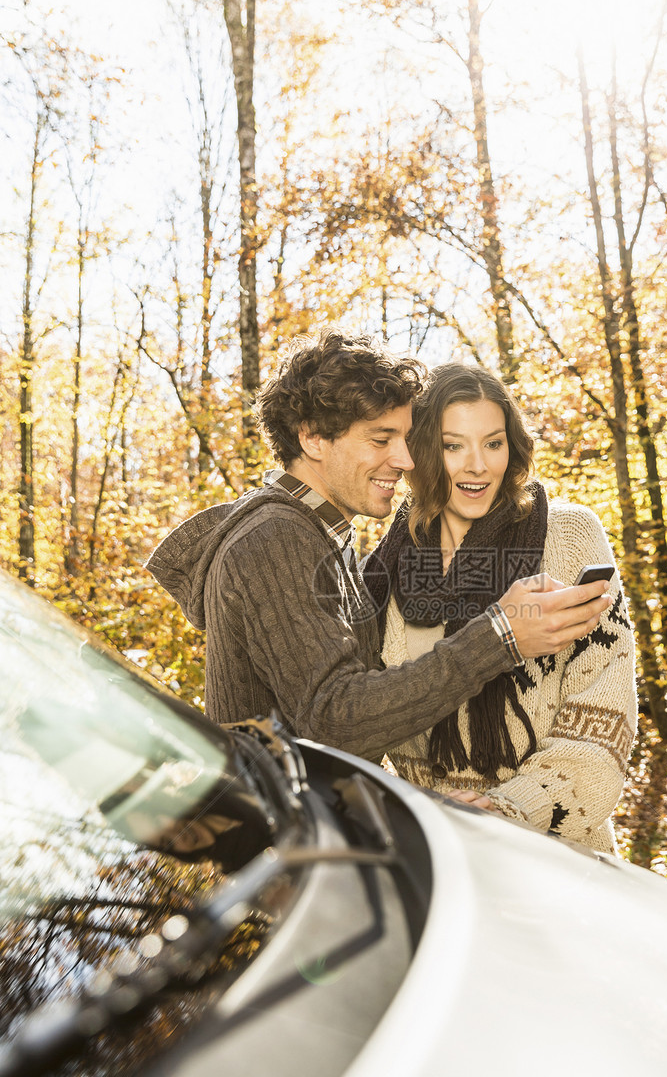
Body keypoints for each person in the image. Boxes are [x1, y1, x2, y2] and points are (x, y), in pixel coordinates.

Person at [146, 330, 613, 765]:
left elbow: (330, 742)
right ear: (311, 438)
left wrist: (421, 803)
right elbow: (336, 721)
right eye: (381, 439)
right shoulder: (275, 539)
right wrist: (499, 637)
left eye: (406, 439)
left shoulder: (324, 537)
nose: (405, 460)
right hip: (285, 844)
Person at [363, 362, 637, 851]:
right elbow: (368, 715)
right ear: (421, 452)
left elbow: (605, 712)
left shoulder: (569, 537)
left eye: (493, 443)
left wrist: (512, 810)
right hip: (428, 845)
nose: (478, 465)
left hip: (548, 845)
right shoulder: (388, 562)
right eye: (453, 446)